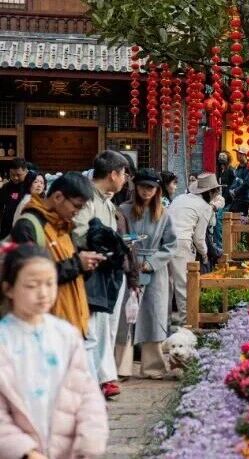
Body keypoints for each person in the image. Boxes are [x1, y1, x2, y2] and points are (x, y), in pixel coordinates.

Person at [0, 243, 108, 459]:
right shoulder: (4, 340)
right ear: (9, 289)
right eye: (32, 286)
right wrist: (24, 451)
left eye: (50, 283)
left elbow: (87, 394)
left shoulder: (66, 334)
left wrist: (89, 442)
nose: (43, 293)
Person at [73, 151, 137, 398]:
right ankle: (95, 380)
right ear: (113, 174)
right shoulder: (88, 198)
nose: (125, 179)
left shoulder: (108, 202)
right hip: (91, 271)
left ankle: (103, 377)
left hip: (109, 270)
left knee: (105, 328)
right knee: (93, 329)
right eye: (123, 174)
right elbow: (79, 234)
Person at [119, 169, 177, 379]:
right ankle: (121, 367)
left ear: (158, 190)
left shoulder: (164, 214)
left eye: (151, 187)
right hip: (128, 267)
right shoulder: (123, 210)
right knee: (125, 316)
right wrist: (129, 260)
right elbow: (118, 237)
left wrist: (152, 263)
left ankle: (153, 367)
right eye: (143, 187)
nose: (146, 191)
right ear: (136, 187)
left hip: (155, 270)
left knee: (154, 315)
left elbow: (171, 245)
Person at [166, 173, 220, 329]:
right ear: (210, 192)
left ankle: (164, 321)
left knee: (166, 284)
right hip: (181, 242)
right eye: (215, 192)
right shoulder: (204, 207)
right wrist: (204, 255)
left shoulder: (180, 198)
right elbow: (199, 238)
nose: (215, 196)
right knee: (183, 284)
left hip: (163, 240)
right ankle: (186, 323)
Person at [0, 158, 30, 239]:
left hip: (25, 230)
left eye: (18, 175)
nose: (15, 178)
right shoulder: (6, 187)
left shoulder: (31, 187)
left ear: (26, 172)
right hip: (7, 230)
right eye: (12, 174)